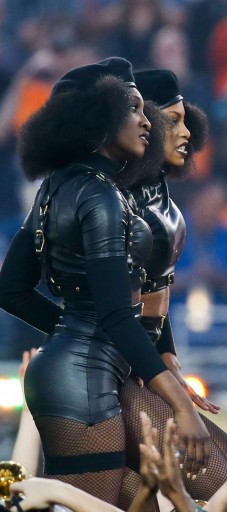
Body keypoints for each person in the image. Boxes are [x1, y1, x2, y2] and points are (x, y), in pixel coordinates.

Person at [0, 57, 210, 504]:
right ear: (98, 117)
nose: (145, 119)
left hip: (85, 367)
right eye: (133, 108)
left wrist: (72, 332)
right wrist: (182, 404)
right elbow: (117, 313)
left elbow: (10, 288)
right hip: (86, 377)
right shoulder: (101, 194)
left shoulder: (58, 188)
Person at [117, 68, 227, 507]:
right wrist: (177, 402)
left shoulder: (157, 190)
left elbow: (156, 301)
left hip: (144, 374)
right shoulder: (113, 194)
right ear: (142, 121)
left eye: (186, 119)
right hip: (110, 376)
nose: (186, 133)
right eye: (173, 121)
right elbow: (118, 315)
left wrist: (170, 362)